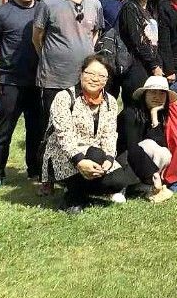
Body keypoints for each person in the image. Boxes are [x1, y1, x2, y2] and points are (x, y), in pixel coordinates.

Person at [32, 0, 105, 181]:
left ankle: (72, 174)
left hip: (83, 80)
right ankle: (46, 177)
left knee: (79, 128)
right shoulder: (48, 4)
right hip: (53, 77)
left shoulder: (95, 4)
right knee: (50, 129)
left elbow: (96, 33)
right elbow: (37, 37)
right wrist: (52, 58)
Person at [39, 55, 137, 214]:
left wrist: (110, 159)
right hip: (63, 155)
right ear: (81, 73)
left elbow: (110, 135)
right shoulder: (64, 98)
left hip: (96, 156)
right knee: (96, 155)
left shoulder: (110, 101)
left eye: (101, 76)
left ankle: (80, 192)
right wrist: (79, 161)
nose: (95, 79)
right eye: (90, 74)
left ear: (106, 80)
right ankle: (73, 196)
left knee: (119, 180)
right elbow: (64, 136)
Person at [0, 0, 42, 191]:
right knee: (3, 131)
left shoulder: (43, 10)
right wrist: (7, 63)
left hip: (38, 82)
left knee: (36, 130)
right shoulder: (1, 13)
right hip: (10, 83)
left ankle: (35, 170)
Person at [118, 75, 177, 204]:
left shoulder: (161, 115)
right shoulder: (130, 113)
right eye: (153, 92)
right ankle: (122, 187)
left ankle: (142, 185)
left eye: (162, 93)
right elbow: (131, 147)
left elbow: (159, 142)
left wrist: (154, 115)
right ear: (144, 94)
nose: (157, 96)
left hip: (141, 162)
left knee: (163, 152)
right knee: (148, 145)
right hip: (120, 158)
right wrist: (153, 174)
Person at [118, 0, 169, 100]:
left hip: (150, 64)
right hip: (136, 65)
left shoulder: (152, 9)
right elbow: (137, 41)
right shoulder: (130, 7)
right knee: (136, 105)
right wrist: (154, 66)